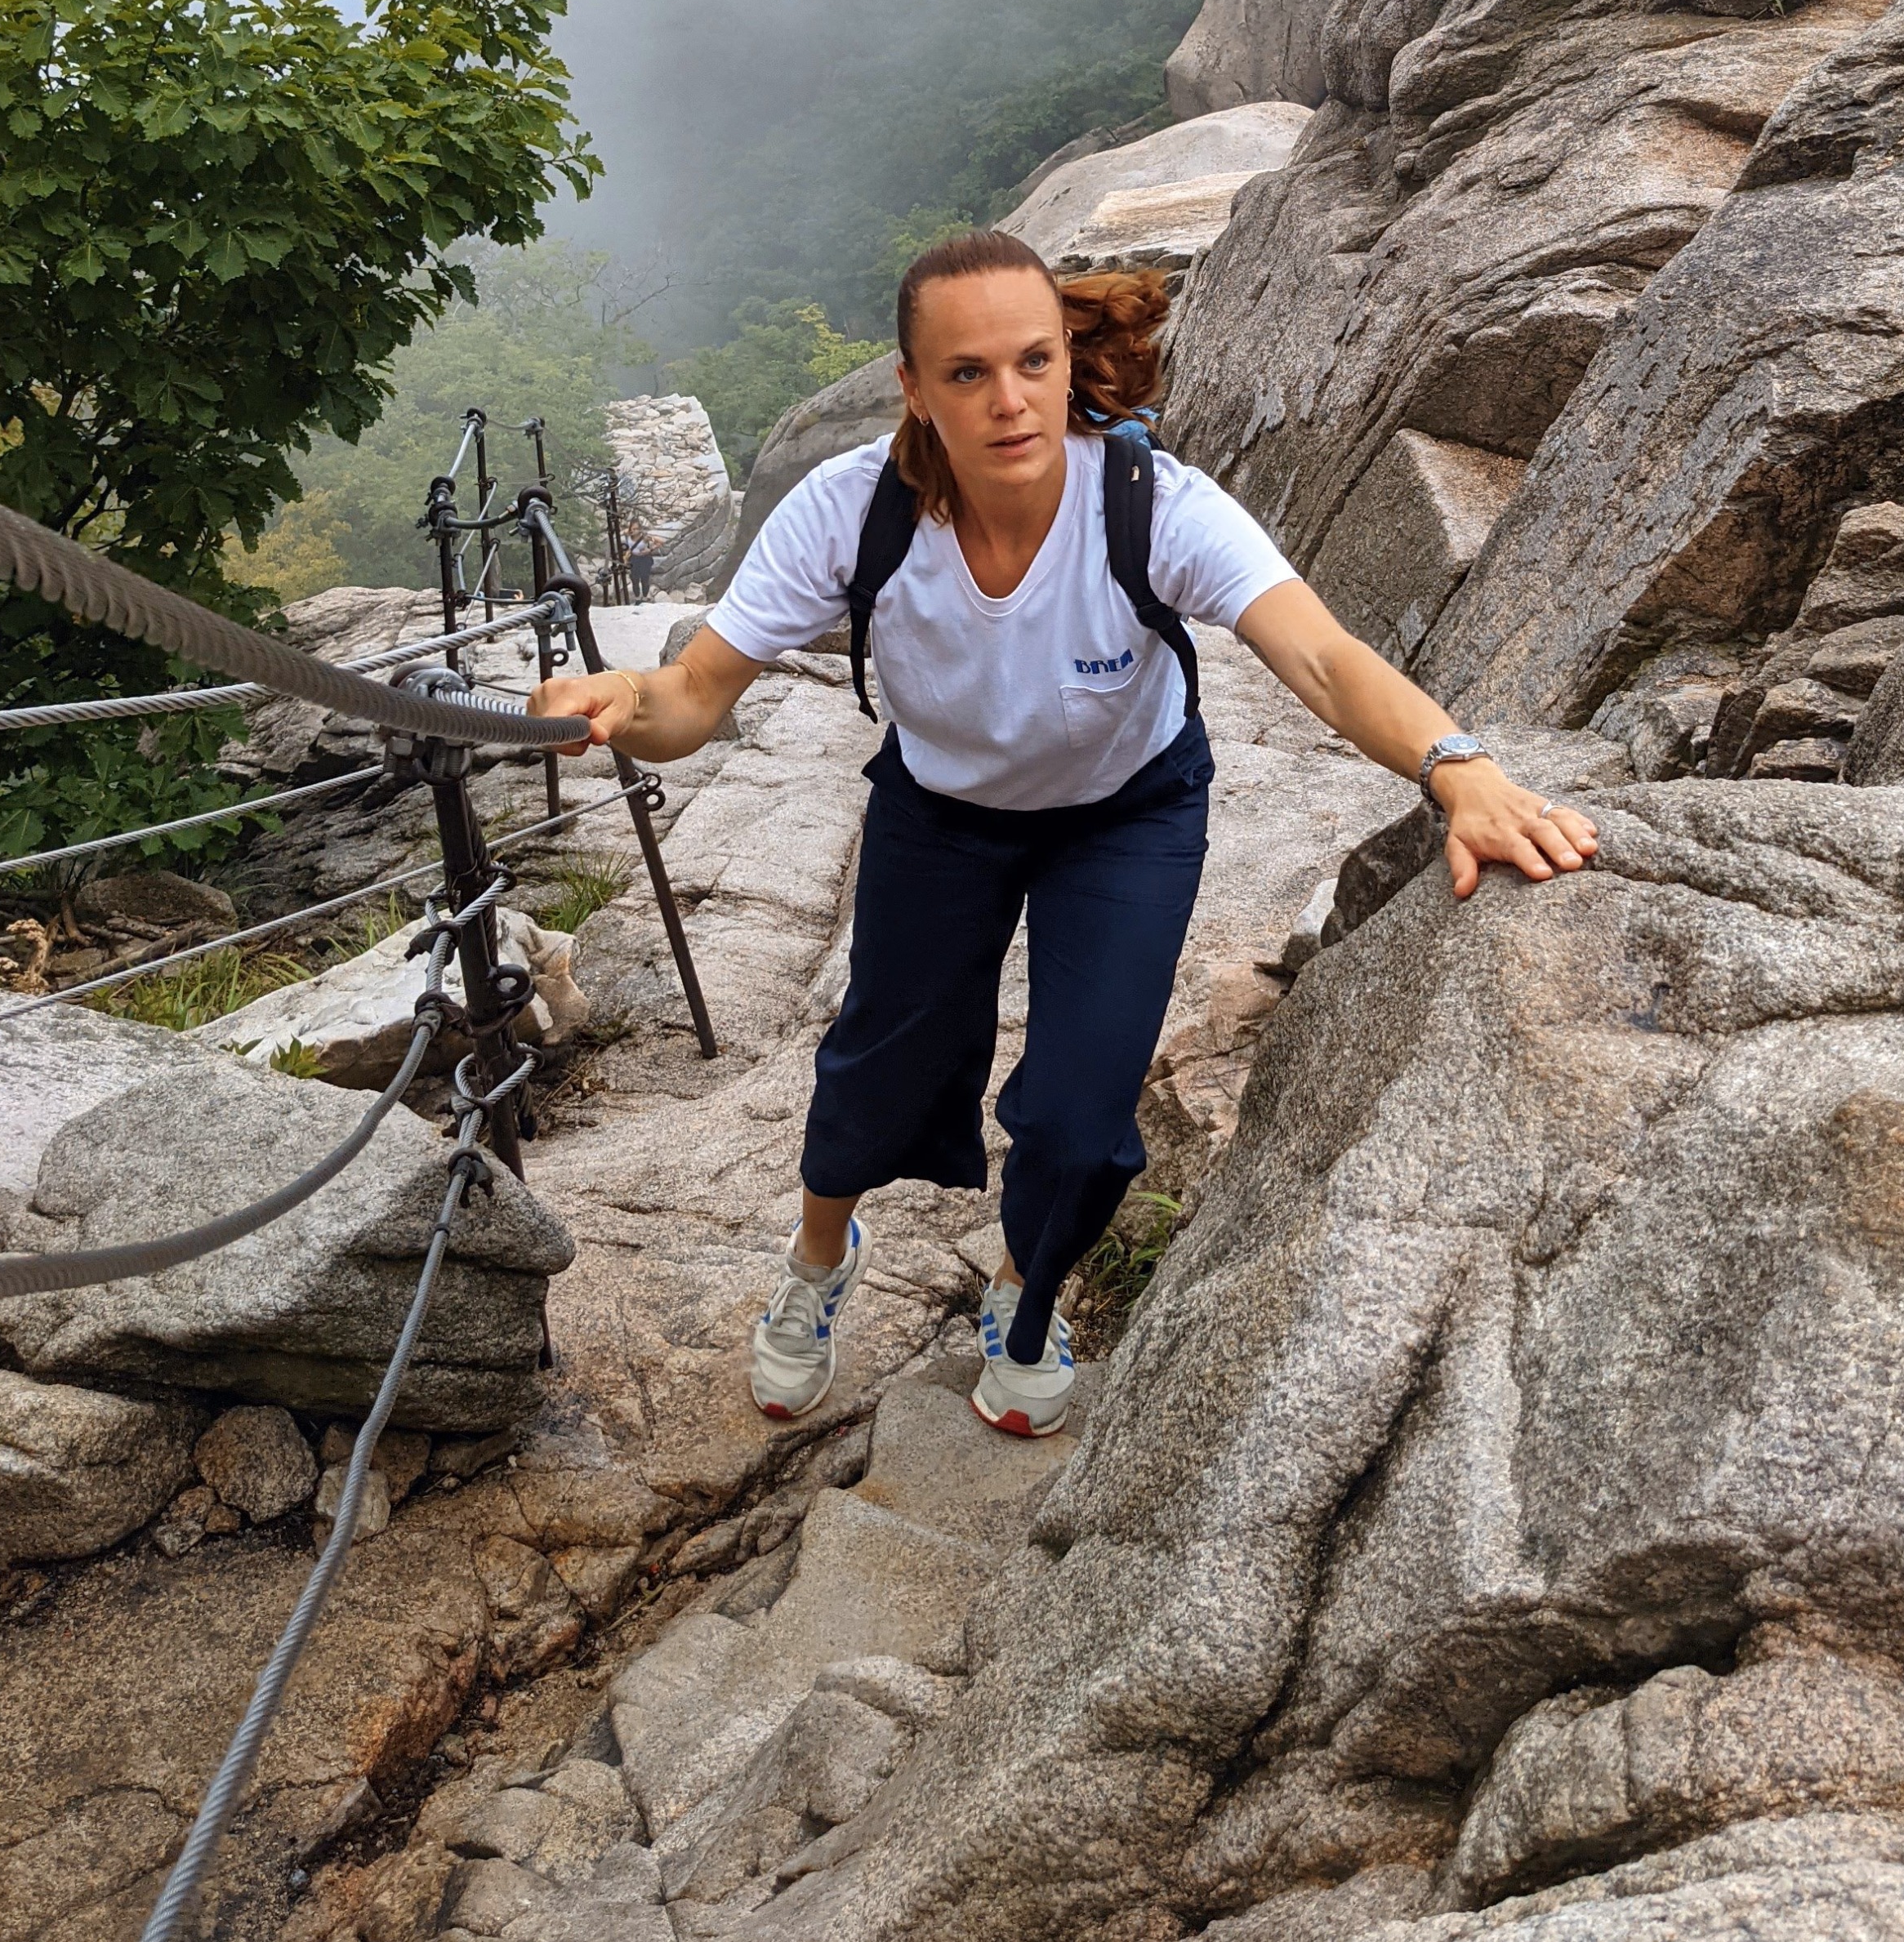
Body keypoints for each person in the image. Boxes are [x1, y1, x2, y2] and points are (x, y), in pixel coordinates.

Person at [530, 229, 1599, 1441]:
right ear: (914, 390)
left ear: (1065, 358)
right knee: (880, 1057)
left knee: (1086, 1120)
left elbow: (1322, 654)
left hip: (1127, 815)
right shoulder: (852, 515)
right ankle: (823, 1258)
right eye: (969, 373)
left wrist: (1455, 767)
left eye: (1033, 361)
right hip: (941, 813)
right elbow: (694, 697)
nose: (1009, 400)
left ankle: (1022, 1294)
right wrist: (618, 707)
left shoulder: (1148, 505)